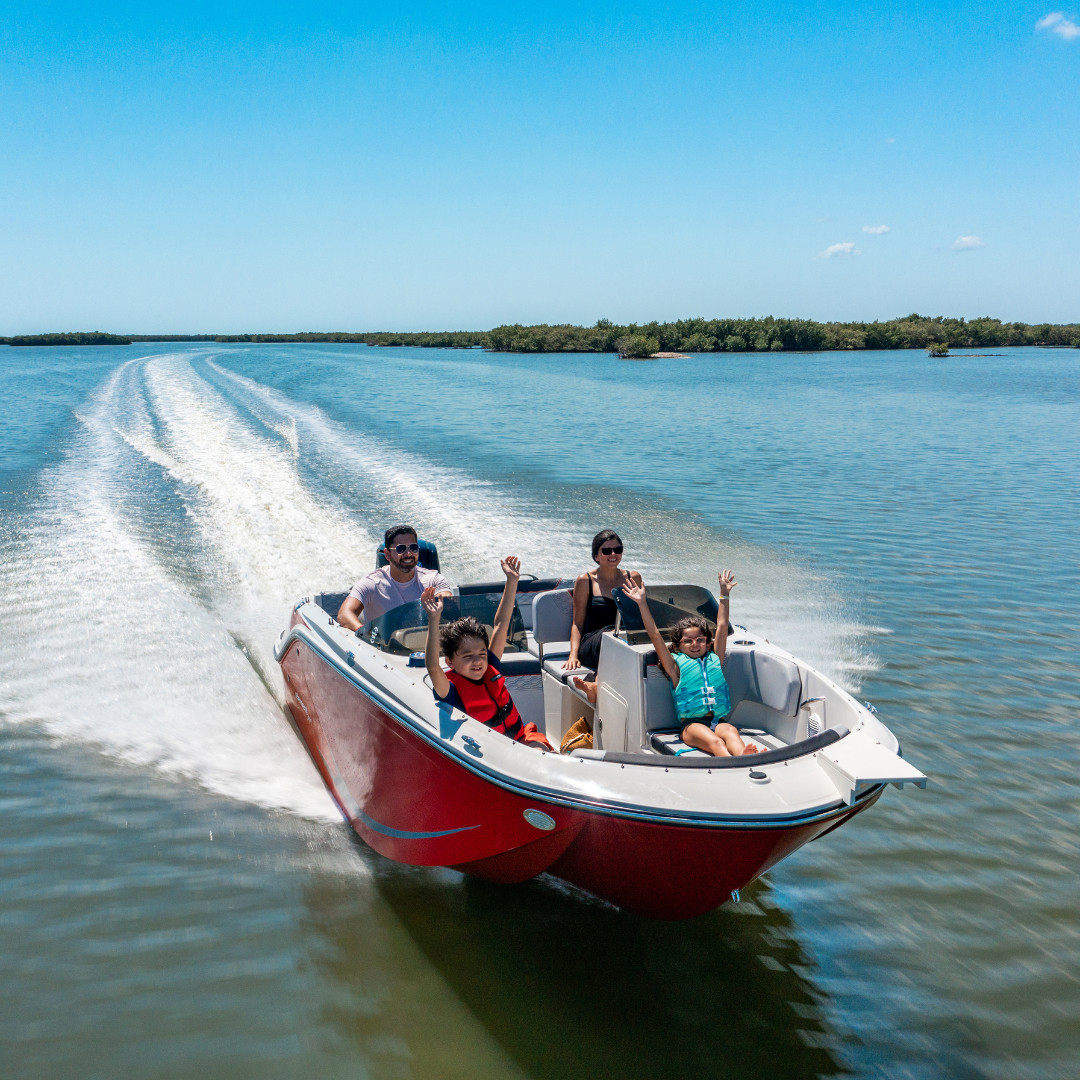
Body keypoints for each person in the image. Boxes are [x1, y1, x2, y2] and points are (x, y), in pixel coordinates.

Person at [576, 571, 760, 758]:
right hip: (691, 727)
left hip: (717, 721)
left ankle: (743, 755)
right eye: (688, 641)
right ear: (678, 646)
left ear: (708, 642)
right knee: (716, 742)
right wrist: (641, 603)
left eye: (700, 640)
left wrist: (724, 594)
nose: (695, 644)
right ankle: (731, 763)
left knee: (730, 731)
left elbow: (721, 625)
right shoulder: (675, 667)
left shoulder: (716, 659)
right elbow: (654, 634)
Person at [422, 557, 553, 750]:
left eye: (482, 654)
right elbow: (432, 667)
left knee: (548, 752)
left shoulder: (490, 666)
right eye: (467, 656)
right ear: (450, 662)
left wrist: (512, 582)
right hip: (491, 754)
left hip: (521, 741)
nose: (478, 661)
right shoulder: (450, 691)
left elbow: (501, 624)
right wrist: (434, 618)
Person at [337, 525, 451, 632]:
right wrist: (365, 633)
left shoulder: (435, 580)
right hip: (383, 650)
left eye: (413, 548)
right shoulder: (371, 584)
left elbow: (449, 607)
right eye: (401, 549)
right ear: (387, 554)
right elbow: (344, 614)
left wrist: (443, 607)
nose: (408, 553)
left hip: (426, 647)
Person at [561, 529, 643, 673]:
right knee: (610, 636)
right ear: (596, 556)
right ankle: (595, 684)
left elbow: (642, 614)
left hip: (624, 639)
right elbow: (577, 624)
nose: (613, 554)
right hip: (593, 643)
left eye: (617, 549)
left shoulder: (633, 578)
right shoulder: (585, 580)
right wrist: (573, 655)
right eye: (606, 551)